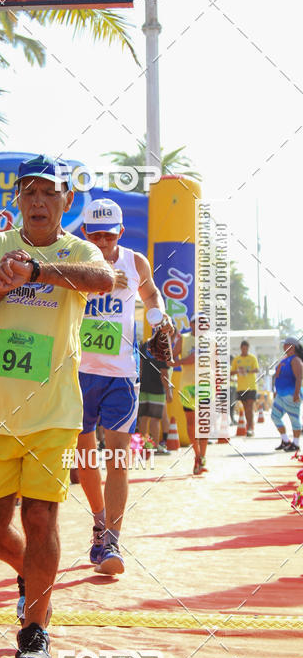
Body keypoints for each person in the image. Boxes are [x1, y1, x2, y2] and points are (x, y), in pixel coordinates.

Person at [0, 155, 117, 658]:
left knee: (41, 516)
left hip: (54, 414)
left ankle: (34, 628)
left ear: (67, 201)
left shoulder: (79, 250)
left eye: (50, 193)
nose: (39, 202)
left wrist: (39, 271)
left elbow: (103, 279)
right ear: (18, 201)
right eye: (29, 193)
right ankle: (31, 575)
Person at [75, 199, 172, 576]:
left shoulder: (135, 262)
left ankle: (112, 538)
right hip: (78, 373)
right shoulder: (74, 257)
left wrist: (157, 319)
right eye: (95, 234)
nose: (101, 242)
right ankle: (99, 523)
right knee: (85, 458)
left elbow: (151, 295)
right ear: (85, 232)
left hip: (120, 373)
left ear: (120, 232)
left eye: (108, 235)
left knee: (117, 458)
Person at [175, 313, 211, 475]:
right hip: (187, 387)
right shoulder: (183, 339)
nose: (202, 325)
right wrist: (185, 361)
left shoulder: (212, 342)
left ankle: (202, 458)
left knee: (204, 425)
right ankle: (196, 456)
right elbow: (170, 359)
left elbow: (217, 366)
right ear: (191, 324)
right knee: (191, 424)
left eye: (205, 322)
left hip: (205, 386)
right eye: (199, 322)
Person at [138, 340, 173, 455]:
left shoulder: (145, 344)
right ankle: (155, 446)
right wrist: (168, 392)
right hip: (157, 388)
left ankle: (144, 446)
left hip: (143, 386)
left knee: (144, 417)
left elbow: (140, 366)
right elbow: (164, 373)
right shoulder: (163, 347)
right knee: (155, 418)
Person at [272, 336, 303, 453]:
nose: (283, 346)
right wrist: (276, 390)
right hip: (281, 394)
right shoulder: (285, 359)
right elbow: (279, 376)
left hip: (291, 394)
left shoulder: (296, 360)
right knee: (275, 416)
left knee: (294, 418)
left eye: (286, 344)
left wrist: (296, 394)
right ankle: (285, 440)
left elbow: (299, 377)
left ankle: (296, 443)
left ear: (292, 346)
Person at [231, 340, 260, 436]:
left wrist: (247, 370)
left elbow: (256, 369)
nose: (244, 350)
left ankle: (250, 428)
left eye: (246, 348)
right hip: (241, 388)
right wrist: (238, 371)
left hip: (251, 386)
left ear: (248, 348)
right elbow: (231, 372)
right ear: (241, 348)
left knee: (249, 407)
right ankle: (249, 425)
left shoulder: (252, 358)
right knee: (245, 408)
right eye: (243, 348)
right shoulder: (236, 359)